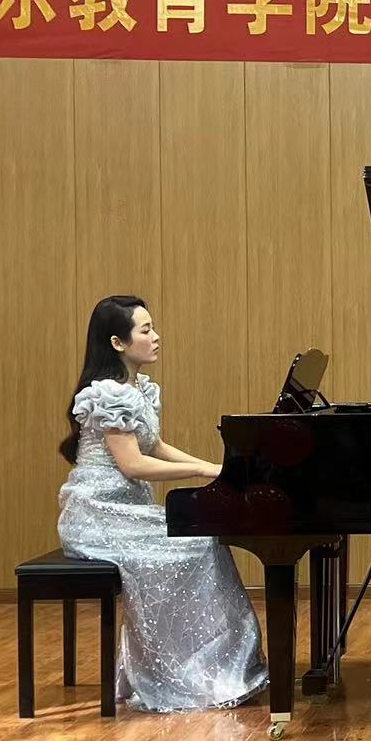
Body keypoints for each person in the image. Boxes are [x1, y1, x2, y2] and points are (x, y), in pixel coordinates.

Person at [57, 295, 268, 713]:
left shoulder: (139, 390)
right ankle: (183, 670)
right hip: (98, 514)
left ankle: (214, 663)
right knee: (196, 545)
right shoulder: (107, 394)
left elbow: (156, 446)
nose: (156, 337)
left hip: (127, 511)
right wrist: (203, 470)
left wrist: (214, 467)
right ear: (118, 343)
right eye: (146, 330)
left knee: (205, 538)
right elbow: (134, 465)